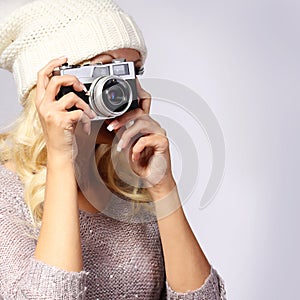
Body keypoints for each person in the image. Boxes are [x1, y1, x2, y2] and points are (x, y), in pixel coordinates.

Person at [0, 0, 226, 299]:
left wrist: (162, 188)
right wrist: (61, 160)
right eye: (101, 72)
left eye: (130, 73)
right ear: (48, 87)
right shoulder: (7, 193)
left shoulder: (127, 187)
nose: (118, 90)